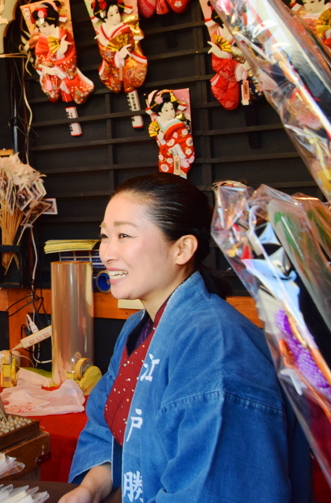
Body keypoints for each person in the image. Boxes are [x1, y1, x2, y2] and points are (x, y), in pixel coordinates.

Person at [63, 173, 310, 503]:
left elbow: (213, 487)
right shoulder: (137, 327)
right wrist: (90, 489)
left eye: (124, 235)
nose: (107, 252)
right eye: (104, 236)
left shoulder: (217, 345)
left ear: (182, 248)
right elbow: (109, 427)